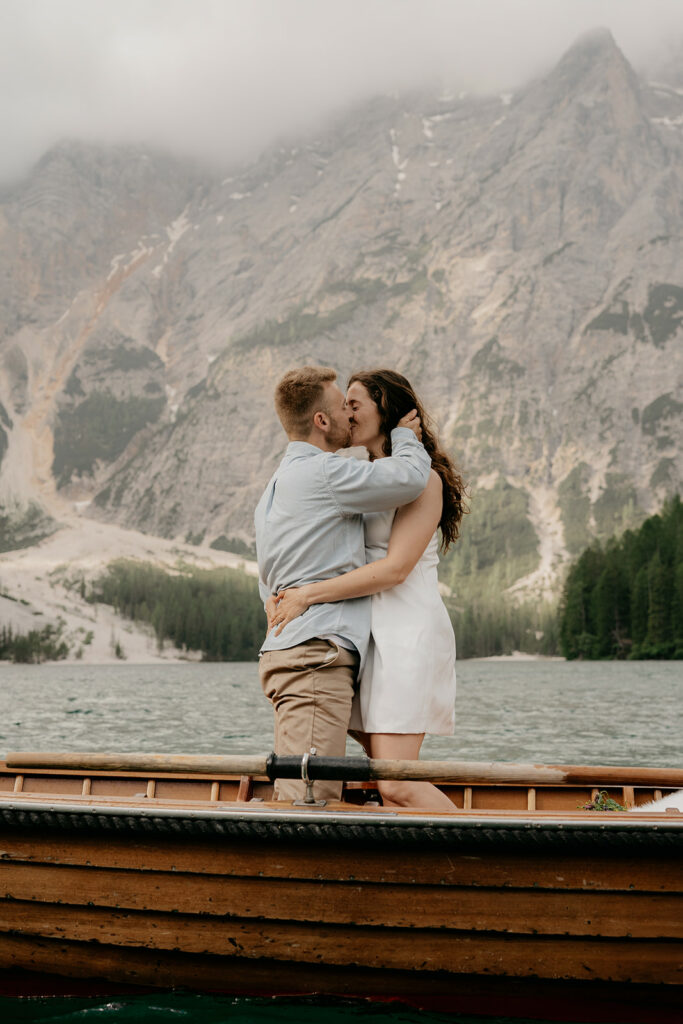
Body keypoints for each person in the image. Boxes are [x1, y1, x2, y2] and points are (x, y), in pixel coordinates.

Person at [268, 369, 467, 812]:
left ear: (387, 413)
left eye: (355, 404)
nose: (346, 413)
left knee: (396, 782)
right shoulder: (365, 475)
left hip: (406, 629)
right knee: (380, 773)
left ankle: (493, 862)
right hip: (367, 633)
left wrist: (309, 595)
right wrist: (282, 587)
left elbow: (395, 569)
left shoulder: (424, 480)